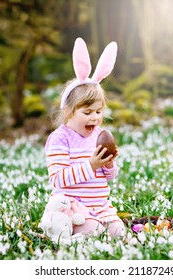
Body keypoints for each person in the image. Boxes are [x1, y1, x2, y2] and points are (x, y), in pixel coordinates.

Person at [44, 38, 125, 237]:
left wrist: (108, 164)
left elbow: (111, 177)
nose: (95, 118)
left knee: (118, 233)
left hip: (100, 206)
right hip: (73, 208)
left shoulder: (98, 134)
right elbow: (57, 179)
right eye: (87, 112)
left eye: (99, 112)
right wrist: (91, 165)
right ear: (68, 111)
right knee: (93, 232)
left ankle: (101, 225)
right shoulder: (60, 139)